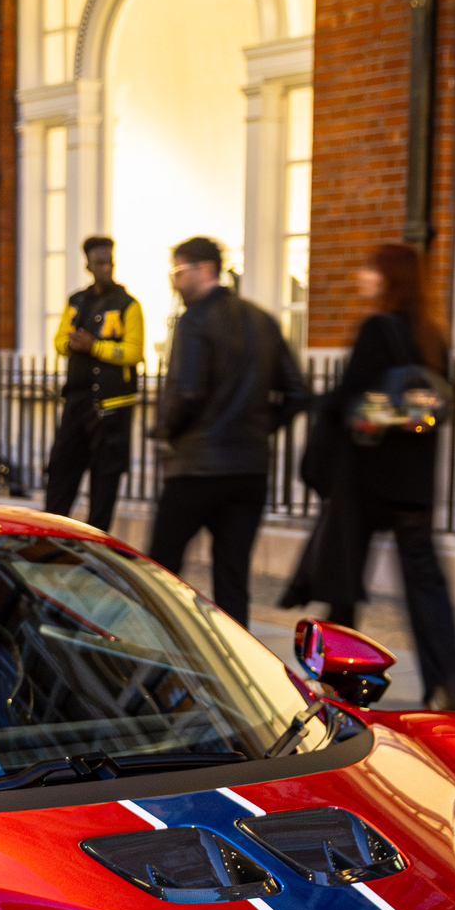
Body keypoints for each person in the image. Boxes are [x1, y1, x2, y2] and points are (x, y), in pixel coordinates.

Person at [288, 243, 455, 710]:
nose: (361, 277)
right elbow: (436, 406)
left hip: (366, 480)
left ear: (389, 278)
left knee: (343, 585)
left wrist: (317, 403)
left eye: (370, 270)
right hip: (414, 485)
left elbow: (352, 399)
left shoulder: (376, 329)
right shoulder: (434, 335)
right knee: (426, 586)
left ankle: (336, 679)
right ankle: (448, 678)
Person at [148, 236, 306, 626]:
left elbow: (186, 390)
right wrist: (260, 428)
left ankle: (158, 650)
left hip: (197, 467)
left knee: (159, 569)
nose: (175, 282)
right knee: (232, 578)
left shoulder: (196, 319)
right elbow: (297, 392)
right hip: (248, 469)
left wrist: (165, 432)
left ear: (205, 269)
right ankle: (236, 666)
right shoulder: (262, 319)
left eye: (179, 272)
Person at [43, 235, 144, 532]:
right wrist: (72, 344)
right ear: (88, 264)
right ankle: (50, 531)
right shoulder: (76, 301)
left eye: (109, 262)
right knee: (62, 469)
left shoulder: (128, 305)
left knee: (105, 477)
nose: (106, 268)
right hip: (77, 402)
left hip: (112, 408)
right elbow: (59, 340)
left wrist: (95, 347)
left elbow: (134, 352)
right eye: (100, 262)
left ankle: (97, 538)